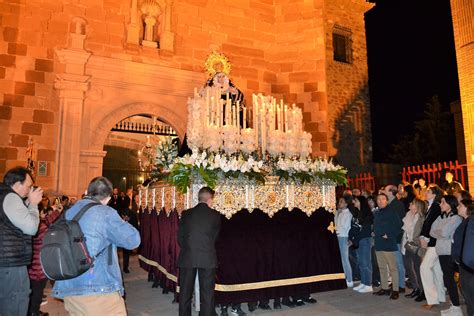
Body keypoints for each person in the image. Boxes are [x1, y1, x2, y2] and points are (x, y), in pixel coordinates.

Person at [52, 176, 140, 315]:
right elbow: (133, 240)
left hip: (68, 285)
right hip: (97, 288)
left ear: (87, 191)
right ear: (108, 199)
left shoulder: (69, 211)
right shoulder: (105, 213)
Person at [0, 167, 42, 316]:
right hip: (10, 265)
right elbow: (31, 228)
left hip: (4, 262)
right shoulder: (10, 197)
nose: (30, 190)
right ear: (17, 184)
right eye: (29, 186)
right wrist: (33, 204)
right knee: (15, 305)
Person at [177, 187, 221, 316]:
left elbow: (180, 238)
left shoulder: (186, 214)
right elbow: (215, 237)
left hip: (188, 257)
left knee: (185, 293)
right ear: (209, 199)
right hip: (207, 257)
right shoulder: (215, 215)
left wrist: (189, 248)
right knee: (207, 294)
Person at [430, 195, 462, 314]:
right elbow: (431, 231)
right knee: (447, 279)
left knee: (450, 279)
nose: (440, 204)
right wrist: (441, 233)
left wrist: (441, 232)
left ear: (450, 204)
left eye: (443, 202)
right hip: (441, 251)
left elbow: (444, 232)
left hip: (449, 252)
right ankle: (454, 304)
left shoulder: (456, 218)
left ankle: (456, 306)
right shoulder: (441, 217)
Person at [28, 204, 62, 316]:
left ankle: (34, 311)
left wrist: (56, 212)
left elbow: (46, 220)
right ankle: (34, 312)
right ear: (40, 213)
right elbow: (50, 235)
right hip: (38, 269)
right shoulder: (40, 227)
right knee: (36, 293)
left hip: (31, 266)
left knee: (33, 292)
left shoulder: (31, 223)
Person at [372, 193, 402, 300]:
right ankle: (384, 288)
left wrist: (389, 234)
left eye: (383, 199)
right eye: (378, 199)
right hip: (379, 243)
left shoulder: (392, 212)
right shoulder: (377, 213)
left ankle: (395, 290)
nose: (380, 201)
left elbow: (399, 226)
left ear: (387, 201)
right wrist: (374, 232)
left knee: (393, 268)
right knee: (382, 267)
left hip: (388, 243)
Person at [418, 185, 444, 306]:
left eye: (428, 191)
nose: (426, 192)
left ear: (434, 194)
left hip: (434, 242)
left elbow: (433, 224)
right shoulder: (430, 206)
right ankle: (440, 296)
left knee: (424, 267)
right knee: (436, 269)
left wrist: (425, 237)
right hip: (432, 242)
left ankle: (432, 299)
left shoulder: (436, 206)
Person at [402, 198, 426, 300]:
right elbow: (405, 231)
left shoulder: (421, 218)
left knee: (417, 267)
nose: (410, 204)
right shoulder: (408, 215)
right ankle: (415, 288)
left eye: (412, 203)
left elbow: (421, 233)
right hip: (407, 244)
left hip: (416, 245)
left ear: (417, 206)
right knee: (407, 266)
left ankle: (422, 290)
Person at [452, 200, 474, 316]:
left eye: (460, 205)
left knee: (470, 295)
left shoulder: (470, 221)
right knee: (467, 296)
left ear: (467, 208)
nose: (457, 207)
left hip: (468, 266)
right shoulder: (465, 221)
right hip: (463, 263)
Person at [384, 185, 406, 293]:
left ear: (391, 192)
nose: (384, 192)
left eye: (386, 190)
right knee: (392, 262)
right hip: (390, 236)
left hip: (395, 237)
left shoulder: (397, 205)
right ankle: (396, 281)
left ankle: (401, 284)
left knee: (398, 262)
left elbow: (398, 223)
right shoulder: (390, 204)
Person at [351, 196, 374, 293]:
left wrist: (356, 238)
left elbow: (365, 230)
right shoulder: (357, 213)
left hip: (365, 240)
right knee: (360, 262)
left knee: (365, 262)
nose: (353, 202)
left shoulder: (367, 214)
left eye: (355, 200)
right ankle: (363, 282)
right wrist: (352, 238)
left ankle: (368, 284)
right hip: (359, 240)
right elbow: (354, 227)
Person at [335, 195, 354, 287]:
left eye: (342, 202)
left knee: (345, 259)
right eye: (339, 202)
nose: (339, 203)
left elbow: (345, 227)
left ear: (346, 204)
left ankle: (350, 279)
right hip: (339, 236)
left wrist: (337, 230)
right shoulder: (340, 213)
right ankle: (344, 277)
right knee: (341, 259)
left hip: (343, 237)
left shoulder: (348, 214)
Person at [120, 188, 139, 273]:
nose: (124, 219)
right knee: (125, 252)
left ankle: (126, 266)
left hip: (131, 234)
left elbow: (135, 228)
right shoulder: (122, 216)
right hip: (124, 235)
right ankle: (125, 267)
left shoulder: (133, 217)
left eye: (125, 217)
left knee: (128, 251)